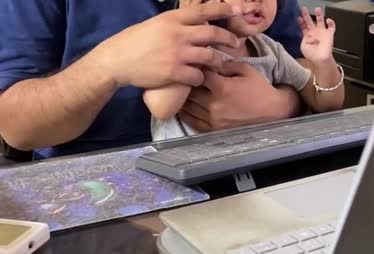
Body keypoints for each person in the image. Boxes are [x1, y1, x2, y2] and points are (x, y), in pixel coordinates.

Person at [0, 0, 306, 159]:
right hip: (100, 190)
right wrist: (107, 65)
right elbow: (16, 128)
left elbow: (309, 69)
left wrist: (282, 107)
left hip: (245, 170)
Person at [145, 0, 345, 140]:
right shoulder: (177, 46)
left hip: (248, 172)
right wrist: (192, 34)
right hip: (184, 179)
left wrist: (324, 62)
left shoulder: (270, 49)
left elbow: (326, 103)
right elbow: (162, 107)